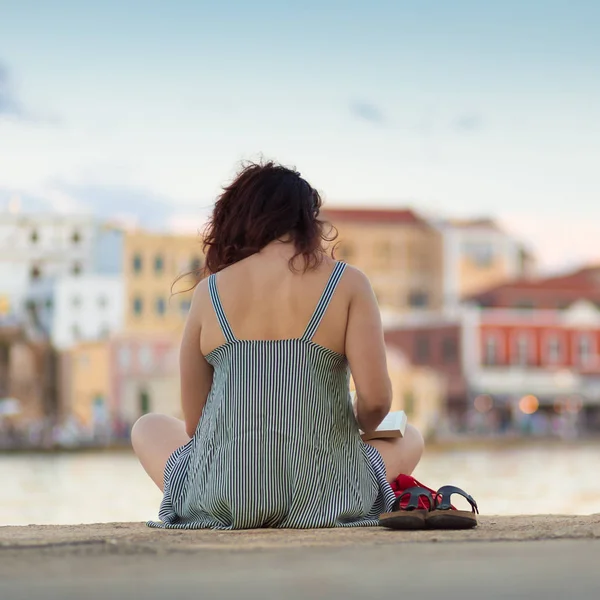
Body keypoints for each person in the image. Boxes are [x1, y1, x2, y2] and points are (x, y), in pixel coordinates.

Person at [132, 161, 424, 529]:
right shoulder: (348, 283)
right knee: (409, 436)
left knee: (148, 426)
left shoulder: (210, 292)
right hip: (325, 496)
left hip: (226, 496)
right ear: (307, 220)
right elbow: (378, 402)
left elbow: (195, 424)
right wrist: (356, 423)